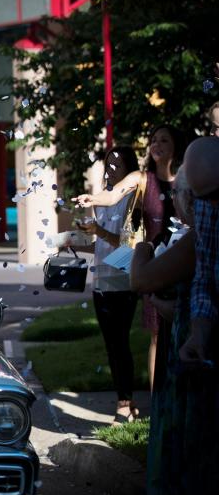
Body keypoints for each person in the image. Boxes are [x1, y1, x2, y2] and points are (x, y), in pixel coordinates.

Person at [131, 162, 215, 495]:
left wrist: (140, 248)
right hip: (188, 344)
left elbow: (142, 279)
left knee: (185, 456)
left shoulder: (199, 239)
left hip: (190, 370)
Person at [74, 124, 188, 390]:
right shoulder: (141, 178)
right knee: (157, 336)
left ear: (176, 146)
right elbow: (113, 194)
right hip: (153, 267)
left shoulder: (186, 176)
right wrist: (92, 199)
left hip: (183, 262)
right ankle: (157, 402)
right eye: (153, 140)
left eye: (164, 140)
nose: (157, 145)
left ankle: (182, 394)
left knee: (184, 332)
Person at [70, 146, 142, 422]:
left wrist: (98, 231)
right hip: (100, 280)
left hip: (122, 281)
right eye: (108, 164)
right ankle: (124, 400)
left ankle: (125, 403)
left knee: (120, 342)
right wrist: (75, 241)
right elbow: (102, 245)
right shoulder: (100, 202)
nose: (111, 169)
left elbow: (126, 245)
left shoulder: (132, 198)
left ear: (129, 170)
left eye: (117, 165)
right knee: (111, 345)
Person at [179, 137, 219, 368]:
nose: (212, 205)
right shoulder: (205, 203)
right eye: (204, 199)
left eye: (217, 195)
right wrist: (199, 332)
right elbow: (205, 275)